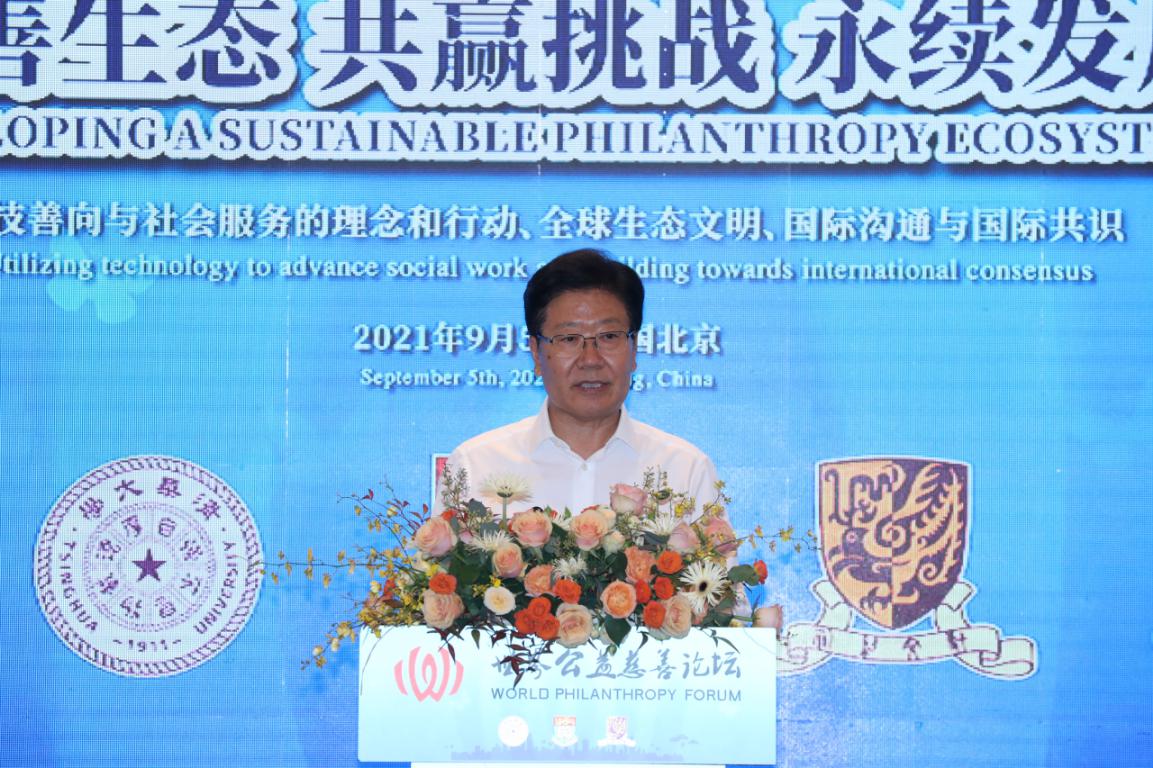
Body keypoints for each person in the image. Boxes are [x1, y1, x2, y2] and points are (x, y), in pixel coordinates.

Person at [437, 248, 718, 515]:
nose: (591, 359)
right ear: (536, 353)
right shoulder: (475, 466)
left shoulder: (685, 471)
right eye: (569, 339)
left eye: (609, 336)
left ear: (634, 349)